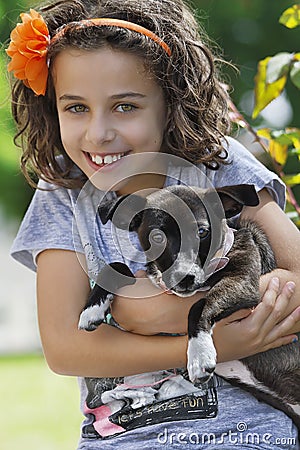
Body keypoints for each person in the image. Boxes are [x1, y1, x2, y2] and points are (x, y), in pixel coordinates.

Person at [7, 0, 300, 448]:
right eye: (76, 108)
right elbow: (65, 348)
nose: (98, 133)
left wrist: (143, 316)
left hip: (249, 434)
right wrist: (219, 340)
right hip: (125, 440)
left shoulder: (216, 166)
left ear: (170, 104)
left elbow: (295, 277)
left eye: (125, 107)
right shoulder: (63, 194)